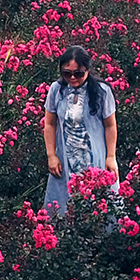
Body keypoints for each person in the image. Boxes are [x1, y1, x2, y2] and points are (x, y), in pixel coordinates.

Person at [42, 47, 120, 218]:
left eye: (78, 73)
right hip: (65, 160)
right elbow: (49, 123)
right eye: (66, 73)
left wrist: (111, 157)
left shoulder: (102, 91)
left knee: (100, 211)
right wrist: (51, 155)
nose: (72, 78)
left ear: (87, 70)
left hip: (95, 160)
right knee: (61, 211)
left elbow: (110, 126)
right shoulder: (56, 89)